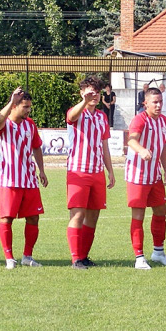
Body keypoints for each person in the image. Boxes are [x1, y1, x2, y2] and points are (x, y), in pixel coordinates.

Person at [0, 87, 48, 269]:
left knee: (33, 218)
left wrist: (41, 170)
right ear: (14, 106)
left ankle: (27, 256)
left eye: (29, 107)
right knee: (7, 218)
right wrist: (10, 101)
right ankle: (9, 258)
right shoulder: (4, 124)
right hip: (9, 179)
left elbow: (37, 147)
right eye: (25, 107)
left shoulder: (30, 125)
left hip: (29, 179)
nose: (28, 110)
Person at [66, 75, 115, 269]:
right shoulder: (77, 111)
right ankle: (75, 258)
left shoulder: (102, 116)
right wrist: (84, 101)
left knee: (93, 215)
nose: (94, 95)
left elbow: (104, 146)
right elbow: (71, 117)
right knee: (77, 214)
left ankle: (84, 256)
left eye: (97, 91)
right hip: (78, 171)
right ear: (82, 92)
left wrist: (110, 170)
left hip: (97, 172)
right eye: (90, 91)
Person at [126, 87, 166, 269]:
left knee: (161, 210)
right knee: (138, 215)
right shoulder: (140, 119)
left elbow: (162, 147)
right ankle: (139, 257)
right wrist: (142, 150)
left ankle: (158, 252)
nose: (159, 105)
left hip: (155, 175)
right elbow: (131, 140)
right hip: (137, 174)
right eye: (155, 102)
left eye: (161, 101)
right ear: (145, 103)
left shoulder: (163, 121)